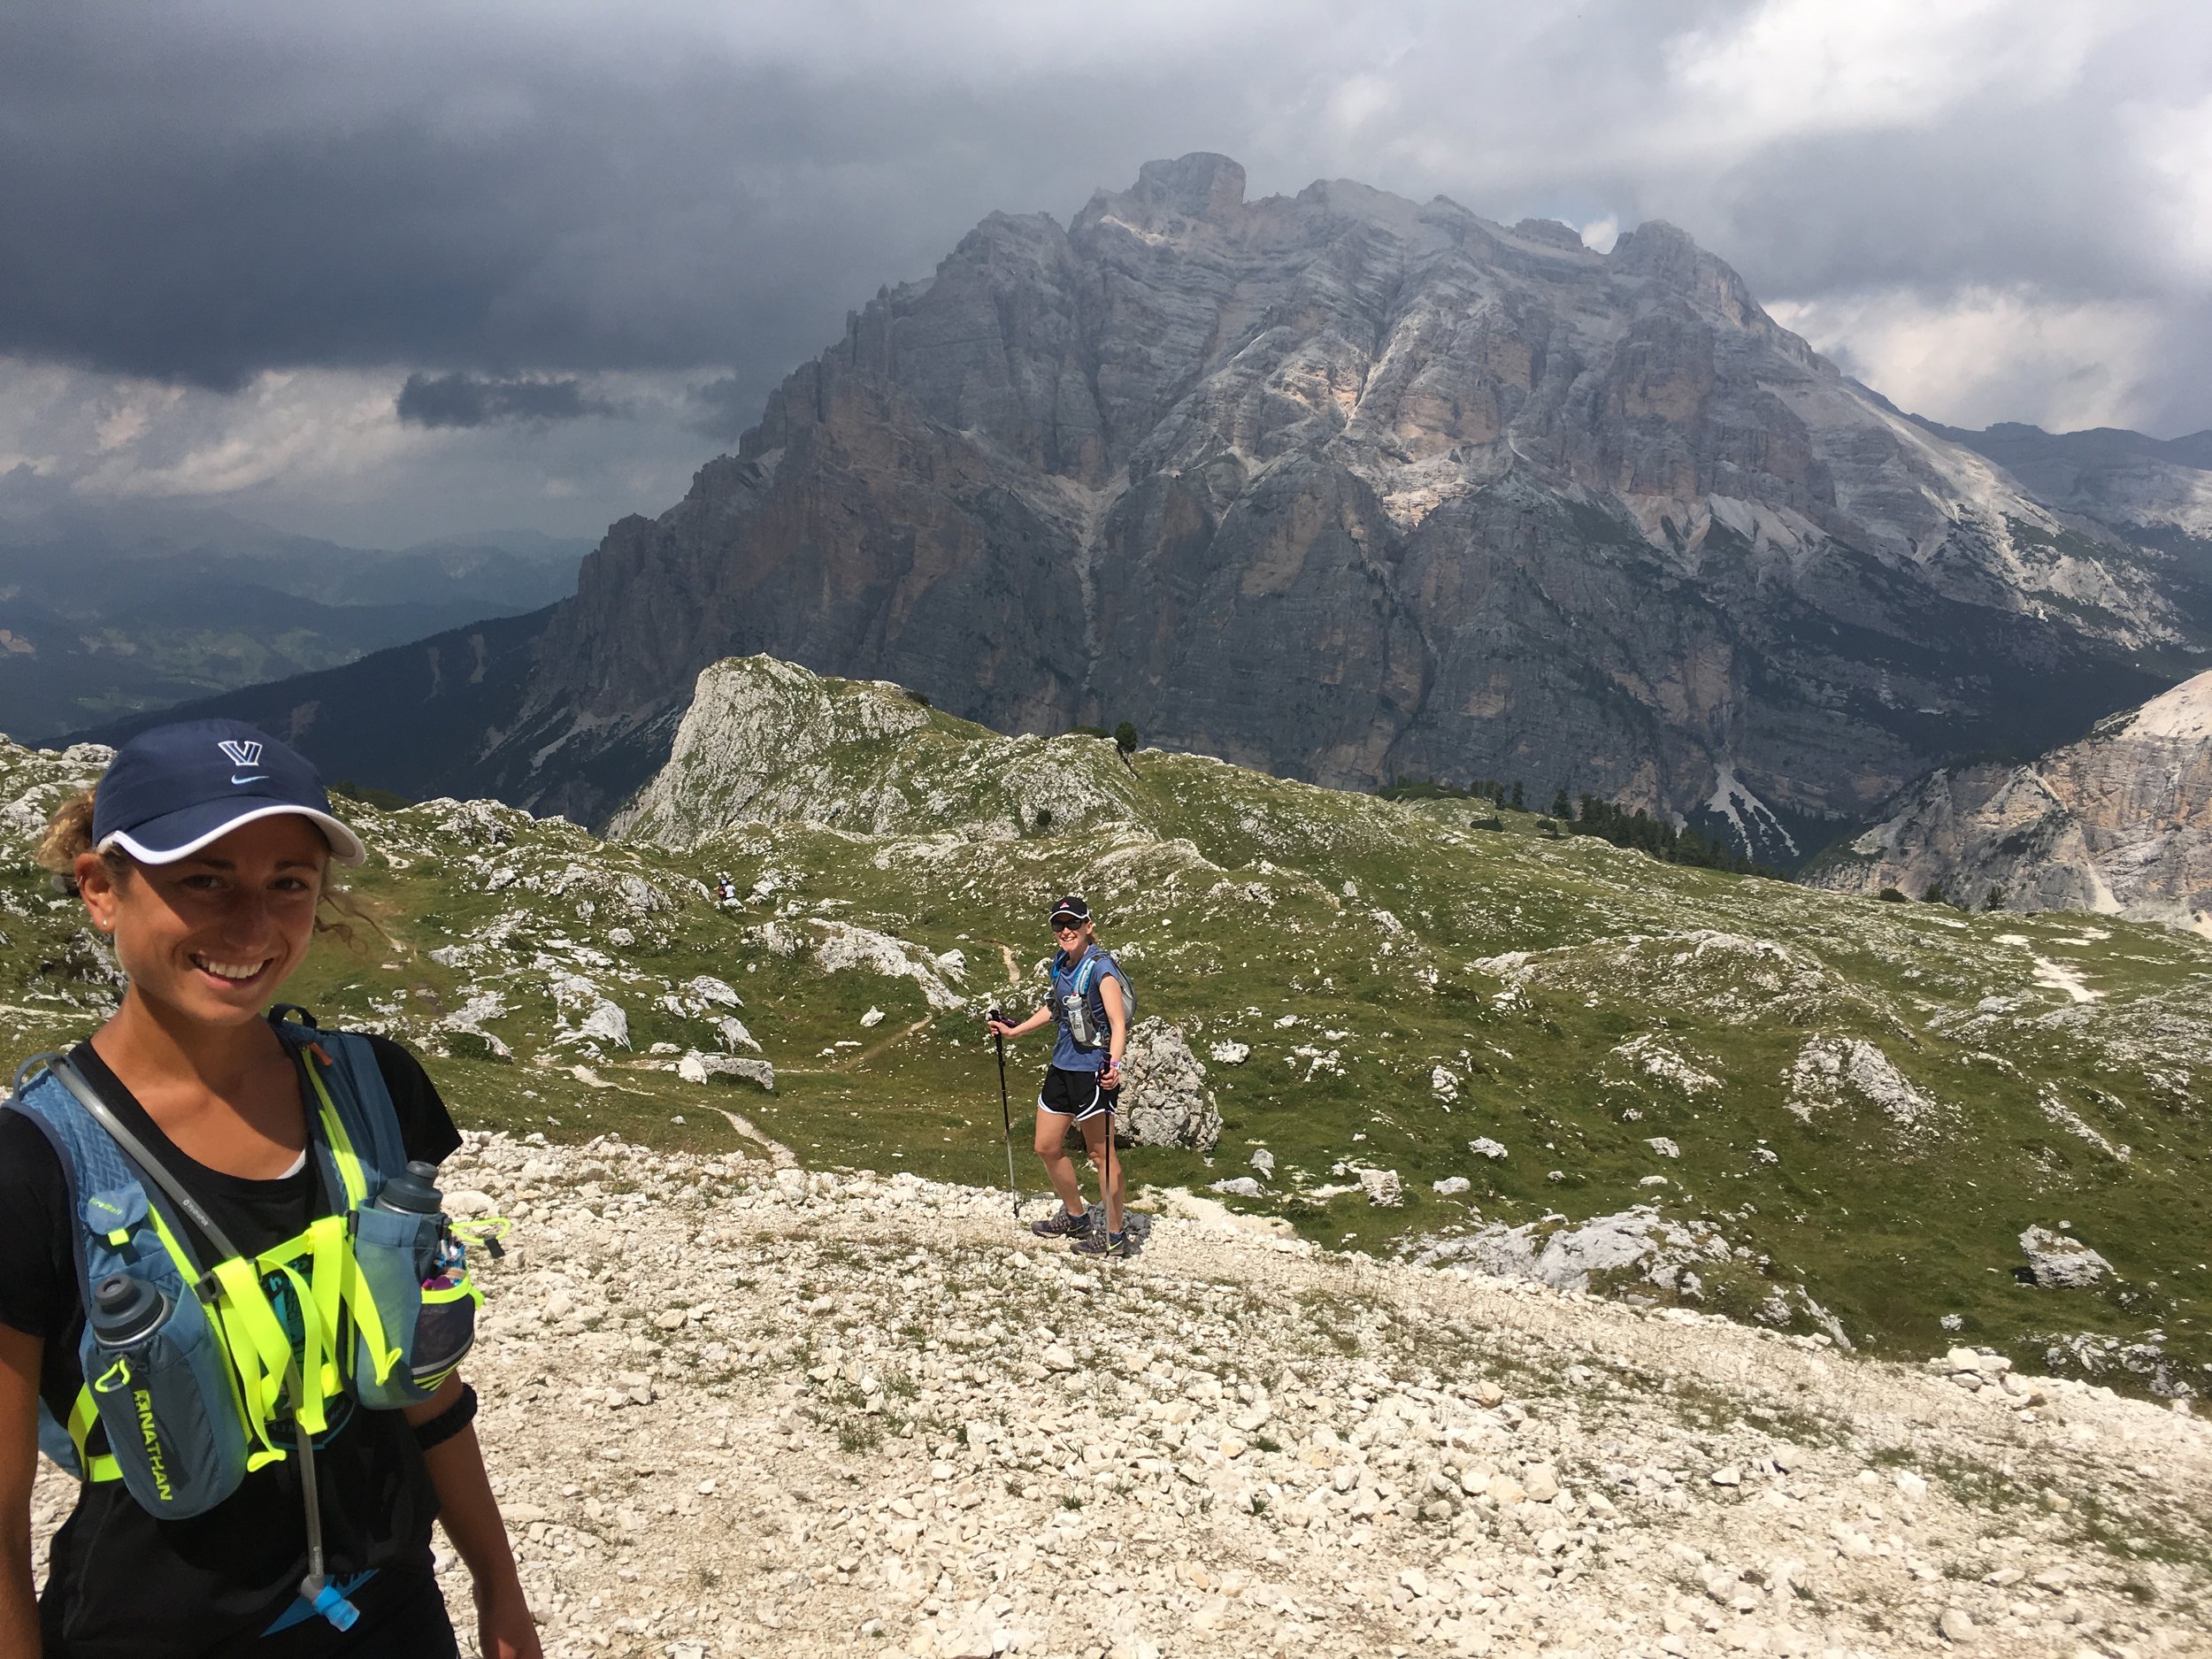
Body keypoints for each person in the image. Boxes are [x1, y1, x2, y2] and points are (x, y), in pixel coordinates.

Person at [0, 719, 541, 1658]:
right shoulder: (32, 1164)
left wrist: (499, 1586)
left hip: (393, 1611)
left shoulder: (377, 1091)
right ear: (100, 889)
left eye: (288, 883)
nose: (252, 928)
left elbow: (422, 1379)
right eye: (203, 879)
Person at [985, 895, 1131, 1257]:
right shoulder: (1061, 964)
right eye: (1058, 925)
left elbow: (1117, 1024)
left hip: (1093, 1072)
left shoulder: (1102, 969)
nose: (1066, 930)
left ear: (1088, 926)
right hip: (1062, 1067)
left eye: (1073, 924)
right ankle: (1076, 1215)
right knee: (1046, 1146)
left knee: (1102, 1156)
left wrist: (1112, 1068)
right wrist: (1014, 1031)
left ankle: (1114, 1235)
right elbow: (1055, 1008)